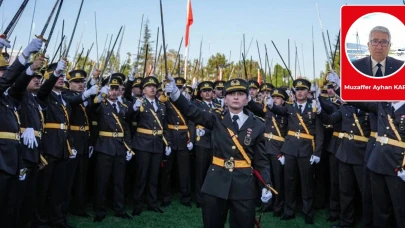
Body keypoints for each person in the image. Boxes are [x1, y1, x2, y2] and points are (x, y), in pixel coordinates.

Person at [165, 77, 272, 228]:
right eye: (231, 93)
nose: (236, 97)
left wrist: (266, 185)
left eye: (240, 94)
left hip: (244, 186)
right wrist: (176, 93)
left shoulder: (258, 125)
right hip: (215, 183)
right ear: (225, 99)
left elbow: (261, 161)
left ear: (247, 99)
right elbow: (192, 111)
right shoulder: (215, 118)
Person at [267, 78, 324, 224]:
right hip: (290, 149)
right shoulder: (290, 107)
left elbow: (319, 133)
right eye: (297, 90)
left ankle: (308, 212)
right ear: (294, 92)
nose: (299, 92)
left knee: (306, 184)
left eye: (302, 89)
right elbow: (278, 109)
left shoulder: (314, 108)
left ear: (308, 92)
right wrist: (271, 105)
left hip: (306, 150)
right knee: (289, 182)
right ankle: (289, 211)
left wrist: (317, 153)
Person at [92, 75, 134, 222]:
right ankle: (100, 210)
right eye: (112, 89)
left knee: (119, 180)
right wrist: (99, 94)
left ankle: (119, 209)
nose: (115, 92)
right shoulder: (100, 104)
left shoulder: (123, 107)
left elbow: (126, 129)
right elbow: (92, 108)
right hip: (105, 146)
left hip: (119, 146)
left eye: (117, 89)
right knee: (102, 180)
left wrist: (128, 147)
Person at [131, 76, 170, 216]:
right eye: (148, 86)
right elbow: (129, 118)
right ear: (143, 90)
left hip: (157, 143)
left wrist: (167, 142)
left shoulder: (161, 105)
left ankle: (152, 203)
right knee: (141, 175)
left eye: (154, 86)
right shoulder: (139, 103)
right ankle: (138, 204)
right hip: (143, 143)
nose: (152, 88)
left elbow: (164, 126)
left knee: (154, 175)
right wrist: (134, 108)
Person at [248, 88, 289, 217]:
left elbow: (289, 133)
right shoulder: (268, 109)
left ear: (283, 100)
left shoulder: (287, 112)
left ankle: (278, 206)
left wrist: (284, 152)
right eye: (274, 97)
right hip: (265, 147)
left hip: (278, 149)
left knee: (278, 179)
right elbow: (256, 109)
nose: (275, 99)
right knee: (266, 178)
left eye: (278, 98)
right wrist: (249, 99)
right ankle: (267, 203)